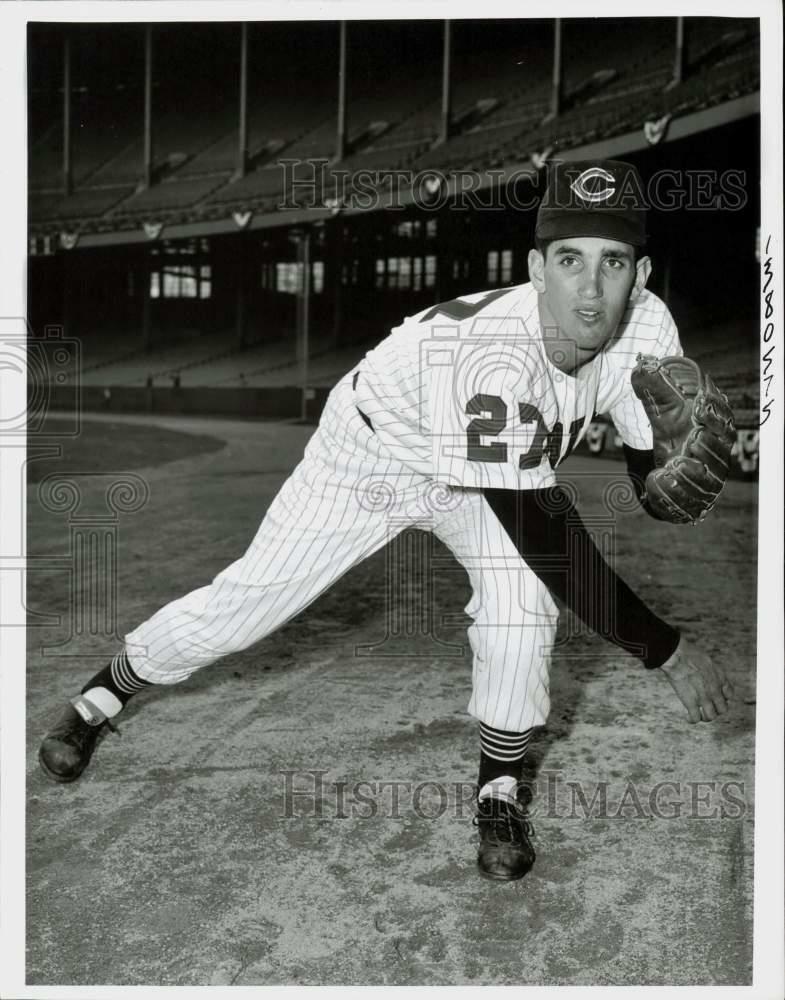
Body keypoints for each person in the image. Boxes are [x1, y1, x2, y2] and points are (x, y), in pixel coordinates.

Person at [38, 159, 735, 882]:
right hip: (375, 451)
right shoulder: (490, 357)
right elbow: (550, 542)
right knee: (246, 607)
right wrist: (666, 649)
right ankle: (99, 698)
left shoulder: (647, 327)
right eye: (568, 259)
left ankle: (497, 790)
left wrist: (654, 482)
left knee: (521, 610)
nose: (590, 289)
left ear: (641, 272)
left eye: (612, 262)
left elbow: (645, 458)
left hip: (487, 477)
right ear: (534, 266)